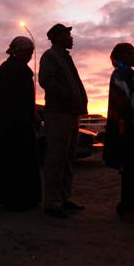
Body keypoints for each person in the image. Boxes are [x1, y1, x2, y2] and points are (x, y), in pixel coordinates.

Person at [39, 23, 88, 218]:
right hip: (58, 114)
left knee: (67, 159)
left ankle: (64, 197)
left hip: (70, 114)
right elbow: (46, 80)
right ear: (58, 37)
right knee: (56, 159)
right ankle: (52, 203)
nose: (71, 37)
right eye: (68, 34)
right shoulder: (50, 56)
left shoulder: (65, 57)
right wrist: (67, 95)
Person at [103, 43, 134, 224]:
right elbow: (124, 103)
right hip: (128, 132)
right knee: (131, 170)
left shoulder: (132, 74)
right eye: (131, 52)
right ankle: (127, 209)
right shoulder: (120, 75)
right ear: (121, 55)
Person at [0, 36, 41, 210]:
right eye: (27, 52)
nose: (29, 55)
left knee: (23, 162)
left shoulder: (21, 69)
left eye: (31, 52)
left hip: (22, 122)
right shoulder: (8, 69)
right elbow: (10, 98)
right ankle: (12, 198)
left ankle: (24, 197)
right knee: (13, 162)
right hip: (12, 124)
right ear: (18, 51)